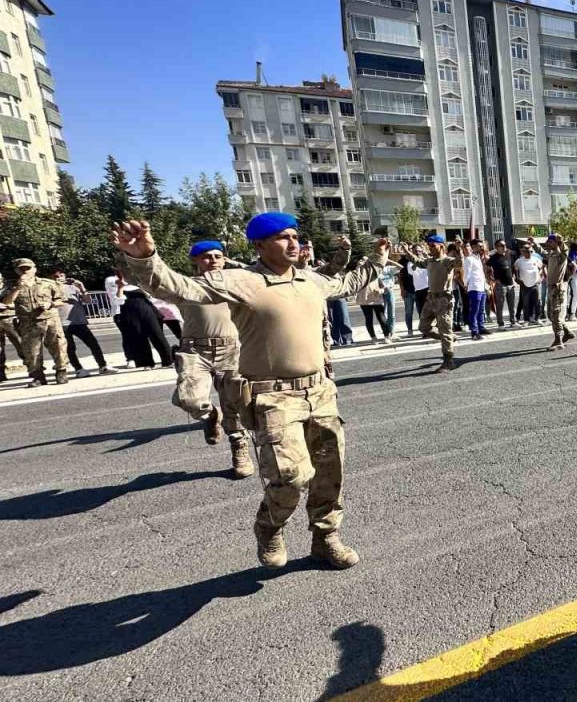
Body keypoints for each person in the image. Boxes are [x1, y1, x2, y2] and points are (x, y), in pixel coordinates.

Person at [114, 212, 389, 570]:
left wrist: (378, 258)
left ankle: (326, 538)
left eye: (295, 236)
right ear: (259, 245)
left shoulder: (310, 280)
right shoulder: (239, 280)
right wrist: (143, 257)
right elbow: (177, 286)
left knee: (329, 473)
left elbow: (348, 284)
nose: (293, 243)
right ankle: (270, 528)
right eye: (281, 238)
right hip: (273, 397)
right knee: (290, 476)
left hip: (320, 392)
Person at [160, 240, 256, 479]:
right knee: (188, 399)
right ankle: (211, 415)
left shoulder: (235, 284)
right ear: (194, 261)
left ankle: (239, 449)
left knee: (234, 404)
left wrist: (231, 263)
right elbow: (156, 277)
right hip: (195, 351)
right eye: (205, 256)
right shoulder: (185, 286)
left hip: (231, 350)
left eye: (217, 256)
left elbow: (256, 271)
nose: (212, 260)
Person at [2, 258, 69, 387]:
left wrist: (50, 304)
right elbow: (7, 302)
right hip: (28, 323)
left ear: (34, 269)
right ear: (16, 271)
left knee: (58, 347)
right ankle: (38, 376)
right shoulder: (11, 286)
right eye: (21, 269)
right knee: (32, 352)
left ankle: (61, 371)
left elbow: (61, 300)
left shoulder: (48, 283)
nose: (25, 271)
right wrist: (18, 287)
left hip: (50, 320)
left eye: (28, 268)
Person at [404, 235, 463, 371]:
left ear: (441, 246)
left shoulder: (448, 261)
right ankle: (449, 337)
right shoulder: (430, 261)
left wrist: (459, 249)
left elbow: (459, 263)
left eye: (432, 245)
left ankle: (448, 361)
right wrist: (407, 251)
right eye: (429, 245)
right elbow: (417, 262)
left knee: (445, 329)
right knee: (423, 327)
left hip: (444, 299)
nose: (430, 248)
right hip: (430, 298)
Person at [55, 270, 118, 378]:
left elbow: (88, 300)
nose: (60, 278)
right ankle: (78, 369)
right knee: (69, 348)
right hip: (61, 322)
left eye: (62, 275)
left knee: (93, 343)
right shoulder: (50, 287)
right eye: (56, 276)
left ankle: (103, 366)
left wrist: (82, 287)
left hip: (79, 321)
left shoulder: (73, 287)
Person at [119, 285, 175, 369]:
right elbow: (118, 300)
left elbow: (150, 295)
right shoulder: (116, 284)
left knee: (157, 334)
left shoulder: (137, 282)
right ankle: (146, 363)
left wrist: (141, 287)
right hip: (129, 310)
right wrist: (120, 287)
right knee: (139, 336)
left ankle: (168, 361)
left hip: (146, 307)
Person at [542, 233, 577, 350]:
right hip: (551, 287)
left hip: (557, 288)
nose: (548, 243)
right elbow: (542, 251)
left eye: (551, 241)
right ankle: (567, 332)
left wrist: (560, 239)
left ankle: (559, 341)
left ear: (557, 242)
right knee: (551, 315)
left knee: (556, 315)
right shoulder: (551, 255)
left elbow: (565, 249)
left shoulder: (562, 255)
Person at [356, 260, 397, 345]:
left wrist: (380, 291)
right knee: (368, 319)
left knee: (382, 318)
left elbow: (384, 287)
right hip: (364, 300)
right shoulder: (358, 275)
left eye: (367, 263)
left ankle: (387, 336)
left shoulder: (376, 274)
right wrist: (359, 265)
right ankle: (373, 337)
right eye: (364, 264)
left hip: (376, 299)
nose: (366, 265)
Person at [0, 272, 26, 383]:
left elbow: (17, 301)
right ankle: (1, 373)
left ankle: (34, 369)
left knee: (20, 344)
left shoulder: (11, 286)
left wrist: (10, 304)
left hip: (10, 318)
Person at [462, 239, 490, 340]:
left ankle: (481, 328)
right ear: (473, 247)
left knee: (481, 310)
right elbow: (466, 274)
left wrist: (486, 285)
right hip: (474, 288)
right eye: (479, 246)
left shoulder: (478, 258)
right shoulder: (469, 259)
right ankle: (474, 332)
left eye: (482, 246)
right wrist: (466, 285)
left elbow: (481, 274)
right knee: (474, 311)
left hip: (481, 287)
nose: (481, 248)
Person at [488, 239, 518, 329]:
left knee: (512, 305)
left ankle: (513, 321)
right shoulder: (493, 257)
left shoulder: (510, 255)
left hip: (510, 284)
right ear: (497, 247)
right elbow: (486, 267)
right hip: (500, 285)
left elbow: (513, 266)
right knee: (500, 305)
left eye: (504, 245)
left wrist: (514, 276)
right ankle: (500, 324)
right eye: (501, 245)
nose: (504, 247)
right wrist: (491, 279)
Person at [514, 244, 543, 326]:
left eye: (531, 251)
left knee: (537, 303)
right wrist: (517, 279)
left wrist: (540, 278)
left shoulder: (536, 259)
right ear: (523, 252)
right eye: (527, 251)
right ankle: (526, 320)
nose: (529, 253)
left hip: (535, 284)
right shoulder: (519, 261)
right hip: (525, 285)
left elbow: (542, 268)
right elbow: (515, 270)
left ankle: (537, 318)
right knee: (525, 303)